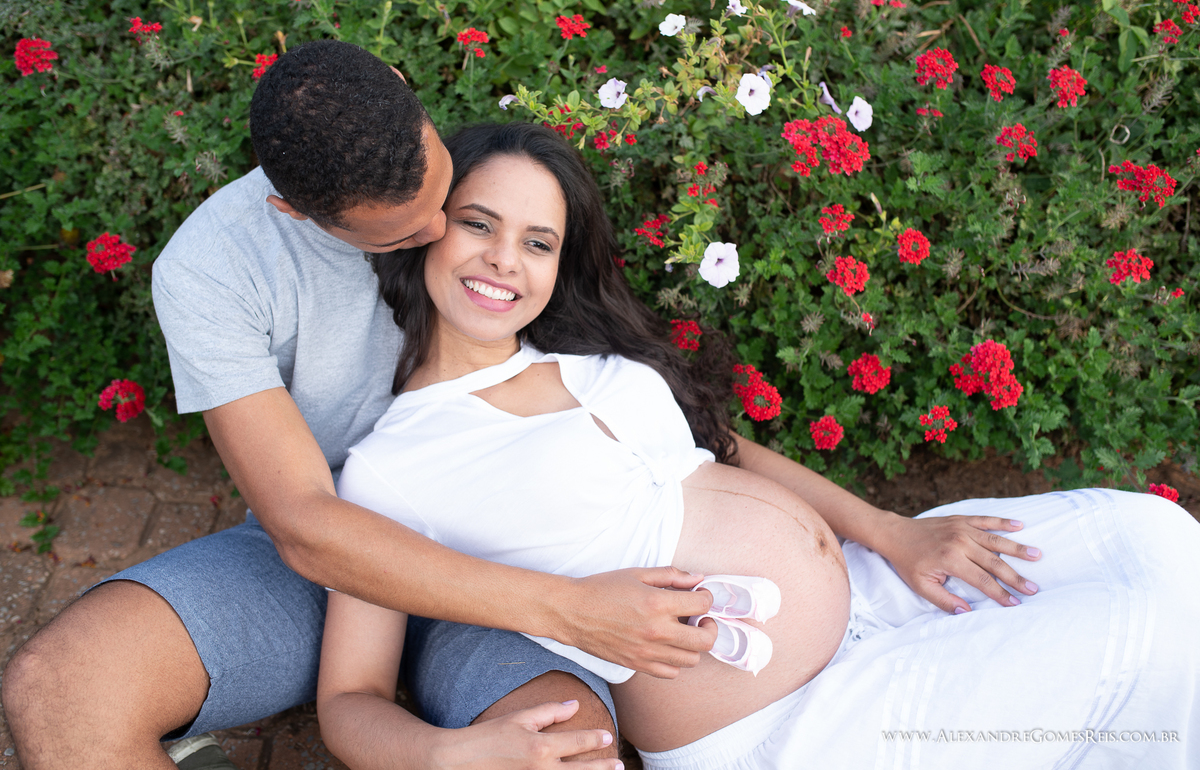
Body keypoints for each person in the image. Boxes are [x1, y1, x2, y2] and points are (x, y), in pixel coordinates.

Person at [322, 121, 1200, 768]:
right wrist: (447, 756)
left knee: (1163, 540)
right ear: (429, 226)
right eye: (479, 224)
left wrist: (891, 530)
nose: (505, 259)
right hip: (780, 724)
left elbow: (723, 452)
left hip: (870, 589)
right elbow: (349, 697)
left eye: (538, 241)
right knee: (1140, 639)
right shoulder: (394, 468)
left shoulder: (583, 358)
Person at [3, 40, 718, 770]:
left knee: (568, 753)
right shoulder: (212, 271)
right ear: (295, 211)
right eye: (403, 233)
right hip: (338, 558)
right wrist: (565, 610)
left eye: (445, 204)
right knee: (58, 688)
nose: (438, 232)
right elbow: (304, 521)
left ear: (403, 82)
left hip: (521, 542)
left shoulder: (479, 183)